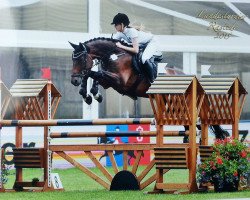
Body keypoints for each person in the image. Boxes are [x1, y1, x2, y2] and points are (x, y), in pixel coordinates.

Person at [111, 13, 158, 83]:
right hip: (141, 44)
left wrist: (121, 46)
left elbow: (136, 50)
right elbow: (113, 43)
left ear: (122, 24)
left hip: (151, 42)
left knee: (144, 59)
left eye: (116, 24)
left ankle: (153, 80)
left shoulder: (131, 31)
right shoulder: (120, 33)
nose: (115, 26)